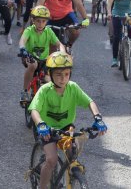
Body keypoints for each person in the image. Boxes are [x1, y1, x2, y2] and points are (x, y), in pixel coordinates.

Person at [27, 51, 107, 189]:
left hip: (66, 127)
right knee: (51, 160)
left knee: (72, 154)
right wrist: (40, 124)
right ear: (50, 74)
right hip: (47, 129)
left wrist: (98, 118)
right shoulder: (45, 90)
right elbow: (34, 110)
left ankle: (70, 178)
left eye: (66, 74)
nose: (63, 78)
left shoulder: (73, 87)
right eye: (58, 74)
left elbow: (90, 102)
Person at [18, 6, 65, 106]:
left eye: (43, 21)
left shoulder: (48, 31)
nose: (40, 24)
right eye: (38, 21)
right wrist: (22, 49)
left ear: (46, 22)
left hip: (44, 60)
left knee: (49, 80)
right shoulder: (29, 30)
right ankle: (25, 91)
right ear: (33, 20)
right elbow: (22, 41)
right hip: (29, 57)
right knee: (33, 65)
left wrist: (62, 53)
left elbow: (59, 44)